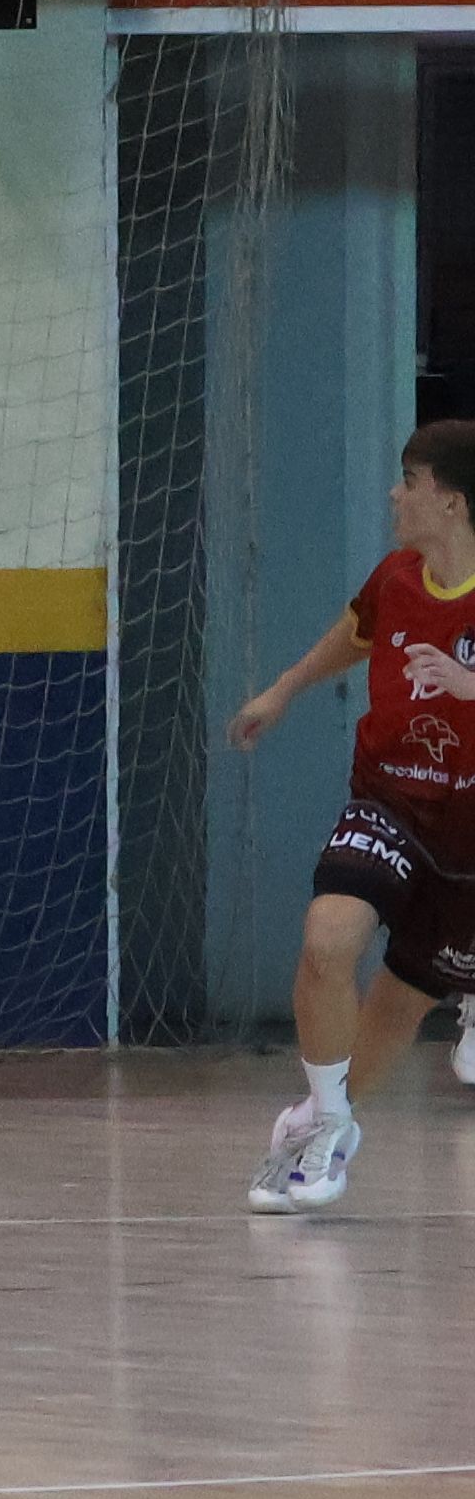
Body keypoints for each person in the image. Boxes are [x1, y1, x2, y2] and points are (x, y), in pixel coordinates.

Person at [224, 418, 475, 1211]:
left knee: (401, 1002)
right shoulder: (398, 577)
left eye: (410, 480)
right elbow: (357, 634)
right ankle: (326, 1123)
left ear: (453, 502)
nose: (395, 494)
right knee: (330, 937)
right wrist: (285, 688)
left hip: (467, 839)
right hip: (389, 800)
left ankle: (327, 1119)